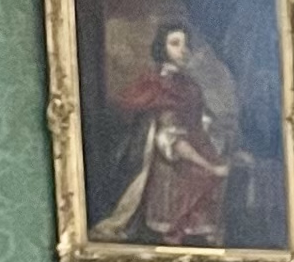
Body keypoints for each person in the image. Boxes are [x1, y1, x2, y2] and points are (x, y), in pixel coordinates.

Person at [94, 15, 240, 248]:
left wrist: (215, 129)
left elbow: (198, 121)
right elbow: (169, 139)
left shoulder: (188, 83)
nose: (183, 50)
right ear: (162, 48)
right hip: (173, 164)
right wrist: (209, 165)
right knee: (209, 178)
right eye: (175, 44)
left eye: (184, 44)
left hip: (195, 148)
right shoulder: (158, 86)